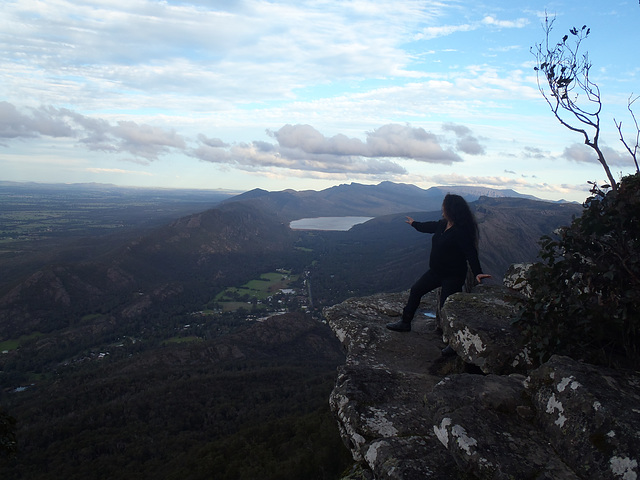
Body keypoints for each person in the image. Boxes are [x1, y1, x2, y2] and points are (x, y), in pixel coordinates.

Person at [386, 193, 491, 334]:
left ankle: (452, 339)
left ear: (451, 210)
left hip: (453, 276)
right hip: (436, 272)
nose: (442, 210)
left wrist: (478, 272)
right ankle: (405, 323)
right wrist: (414, 224)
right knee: (416, 290)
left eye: (444, 207)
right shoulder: (443, 224)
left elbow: (470, 253)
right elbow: (429, 227)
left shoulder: (462, 232)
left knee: (446, 307)